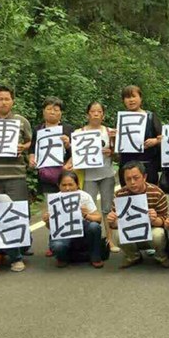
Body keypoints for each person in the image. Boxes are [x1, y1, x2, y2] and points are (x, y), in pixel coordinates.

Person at [66, 101, 119, 254]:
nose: (96, 114)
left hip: (107, 174)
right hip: (88, 176)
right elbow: (74, 154)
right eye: (93, 111)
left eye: (99, 111)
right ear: (87, 114)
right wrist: (68, 163)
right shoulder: (79, 132)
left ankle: (109, 240)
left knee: (107, 208)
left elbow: (118, 156)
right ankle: (89, 241)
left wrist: (112, 151)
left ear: (103, 114)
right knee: (87, 208)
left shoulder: (110, 132)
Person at [106, 161, 169, 269]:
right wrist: (112, 221)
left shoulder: (157, 193)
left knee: (159, 234)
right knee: (117, 235)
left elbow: (166, 220)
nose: (132, 182)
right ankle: (133, 256)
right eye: (128, 179)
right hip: (131, 232)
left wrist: (155, 220)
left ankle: (161, 256)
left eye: (136, 178)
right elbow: (115, 225)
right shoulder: (119, 195)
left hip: (151, 231)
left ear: (144, 177)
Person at [42, 171, 106, 268]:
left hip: (82, 230)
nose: (67, 188)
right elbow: (50, 228)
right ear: (58, 185)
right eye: (64, 185)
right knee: (58, 246)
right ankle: (63, 257)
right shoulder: (55, 199)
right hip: (63, 231)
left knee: (94, 227)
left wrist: (86, 215)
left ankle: (95, 257)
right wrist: (47, 221)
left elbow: (98, 219)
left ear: (77, 184)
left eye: (70, 184)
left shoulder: (84, 196)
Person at [29, 96, 75, 196]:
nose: (52, 112)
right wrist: (32, 159)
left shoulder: (68, 129)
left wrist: (68, 145)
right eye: (49, 109)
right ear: (43, 111)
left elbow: (77, 151)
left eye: (56, 110)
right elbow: (32, 149)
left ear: (61, 113)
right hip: (46, 175)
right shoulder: (38, 129)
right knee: (51, 204)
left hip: (65, 175)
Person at [117, 85, 162, 186]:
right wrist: (114, 137)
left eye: (134, 96)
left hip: (147, 165)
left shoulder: (150, 116)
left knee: (150, 196)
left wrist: (155, 141)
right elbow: (118, 146)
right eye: (128, 97)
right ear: (123, 100)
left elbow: (164, 137)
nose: (131, 100)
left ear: (140, 98)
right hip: (126, 165)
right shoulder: (121, 119)